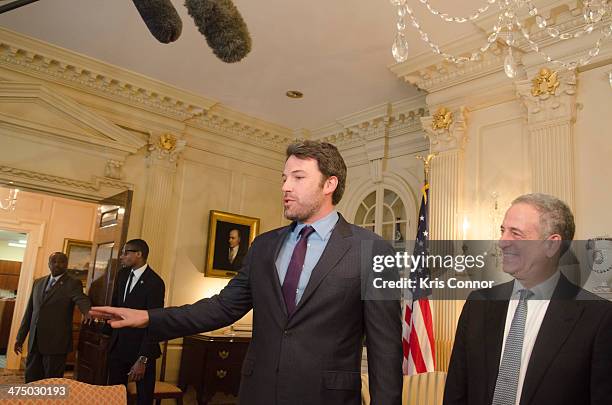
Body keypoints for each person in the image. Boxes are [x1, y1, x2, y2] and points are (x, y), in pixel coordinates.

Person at [91, 140, 403, 405]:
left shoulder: (373, 250)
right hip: (258, 393)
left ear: (329, 184)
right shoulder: (264, 246)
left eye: (298, 177)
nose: (285, 187)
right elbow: (222, 308)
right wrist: (149, 317)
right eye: (283, 178)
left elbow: (385, 347)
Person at [443, 193, 612, 405]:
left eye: (516, 233)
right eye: (503, 231)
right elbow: (456, 392)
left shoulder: (598, 317)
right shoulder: (478, 304)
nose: (502, 242)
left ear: (552, 245)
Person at [14, 252, 91, 382]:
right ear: (48, 264)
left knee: (52, 382)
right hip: (35, 341)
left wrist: (87, 311)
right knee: (31, 379)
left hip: (56, 343)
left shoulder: (72, 283)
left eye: (61, 261)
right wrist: (20, 337)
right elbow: (30, 312)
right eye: (53, 261)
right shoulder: (38, 282)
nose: (57, 264)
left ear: (66, 265)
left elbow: (81, 299)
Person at [106, 239, 165, 405]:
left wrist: (143, 359)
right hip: (118, 347)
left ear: (139, 254)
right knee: (114, 396)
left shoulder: (155, 283)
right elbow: (116, 307)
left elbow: (154, 322)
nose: (122, 256)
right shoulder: (122, 275)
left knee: (143, 399)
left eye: (126, 252)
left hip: (141, 349)